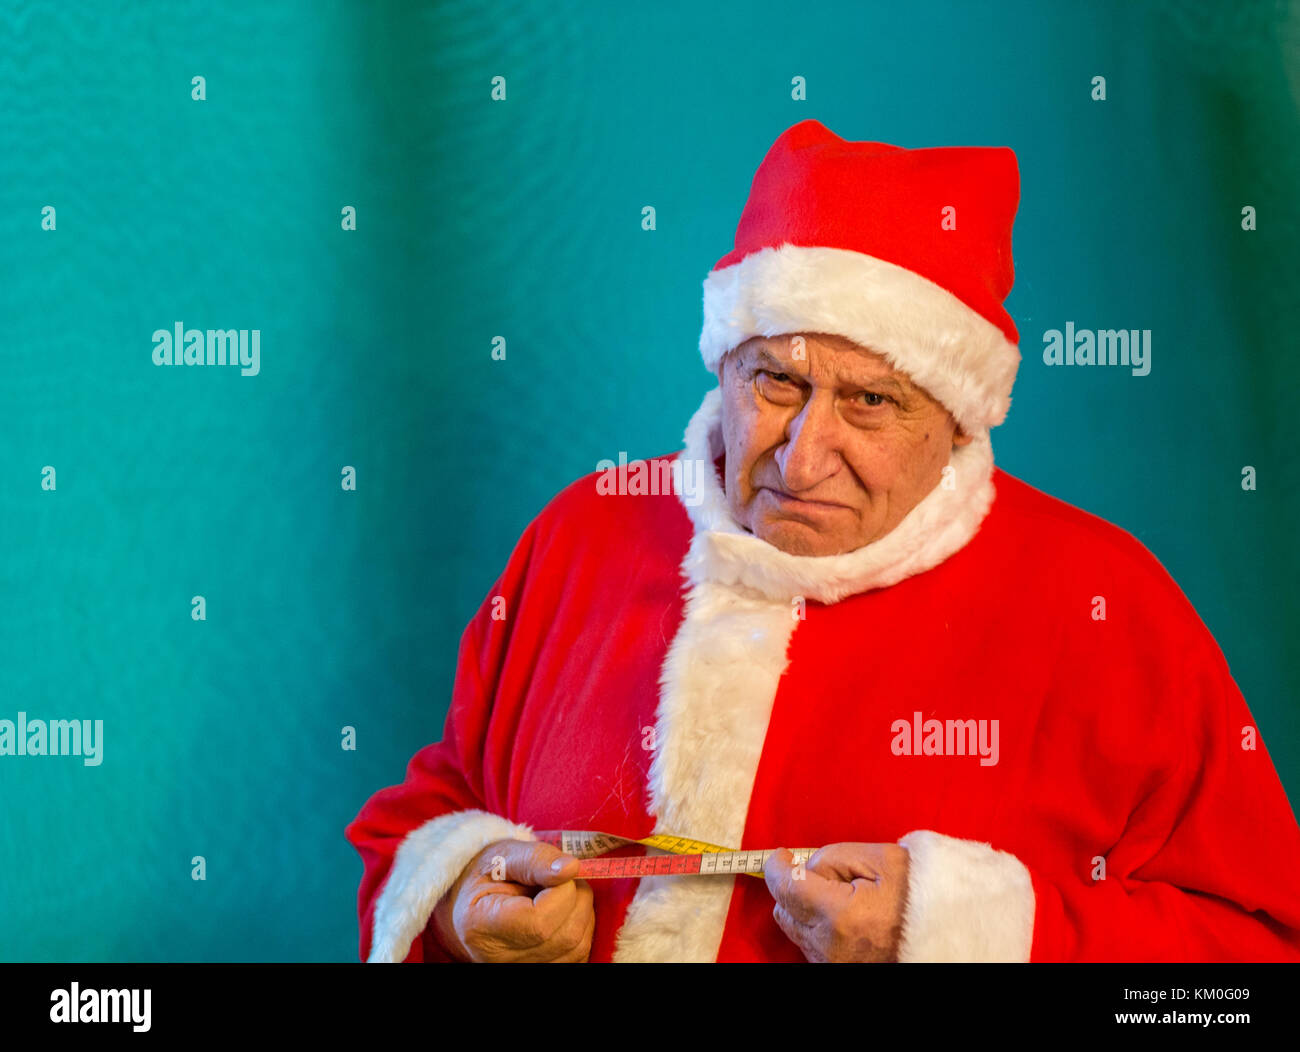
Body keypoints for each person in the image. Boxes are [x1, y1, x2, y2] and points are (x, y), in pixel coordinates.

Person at [345, 118, 1300, 963]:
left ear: (959, 422)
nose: (803, 461)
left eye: (871, 402)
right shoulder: (584, 533)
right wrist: (461, 904)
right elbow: (431, 810)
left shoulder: (1105, 603)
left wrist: (970, 938)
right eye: (777, 384)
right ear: (724, 364)